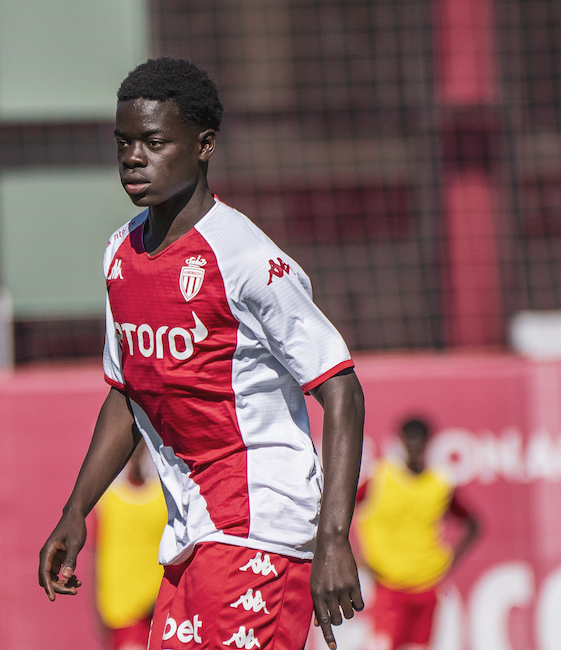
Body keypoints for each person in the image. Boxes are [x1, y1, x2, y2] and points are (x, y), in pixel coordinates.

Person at [39, 57, 366, 650]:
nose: (133, 157)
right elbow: (127, 392)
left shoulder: (247, 260)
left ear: (204, 145)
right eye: (123, 143)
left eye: (154, 142)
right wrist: (76, 510)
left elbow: (341, 387)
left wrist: (334, 537)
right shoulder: (119, 254)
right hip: (193, 532)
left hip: (260, 525)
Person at [354, 418, 481, 650]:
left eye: (419, 444)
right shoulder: (381, 478)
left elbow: (473, 524)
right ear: (400, 442)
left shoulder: (439, 483)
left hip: (426, 584)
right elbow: (340, 510)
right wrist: (355, 556)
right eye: (410, 444)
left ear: (428, 444)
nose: (414, 451)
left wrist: (448, 562)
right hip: (389, 584)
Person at [92, 439, 167, 650]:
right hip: (123, 610)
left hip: (159, 607)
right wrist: (97, 609)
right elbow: (97, 554)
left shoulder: (164, 496)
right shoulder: (108, 499)